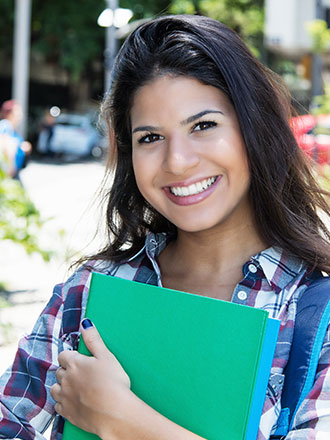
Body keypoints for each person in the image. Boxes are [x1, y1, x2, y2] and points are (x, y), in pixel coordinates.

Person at [1, 14, 330, 440]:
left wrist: (124, 420)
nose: (177, 161)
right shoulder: (88, 294)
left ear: (255, 129)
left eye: (203, 126)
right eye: (150, 138)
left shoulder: (315, 317)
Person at [0, 100, 32, 179]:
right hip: (9, 172)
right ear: (9, 113)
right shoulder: (5, 125)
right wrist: (11, 168)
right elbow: (5, 145)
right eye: (17, 111)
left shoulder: (12, 128)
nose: (20, 114)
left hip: (13, 171)